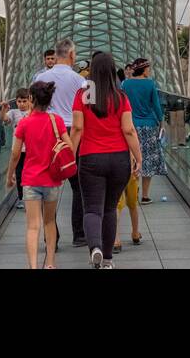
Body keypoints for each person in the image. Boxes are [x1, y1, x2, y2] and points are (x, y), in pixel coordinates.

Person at [72, 51, 142, 269]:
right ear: (113, 71)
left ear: (92, 70)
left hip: (91, 157)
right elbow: (129, 130)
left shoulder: (82, 95)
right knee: (110, 208)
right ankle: (109, 260)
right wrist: (138, 157)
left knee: (92, 209)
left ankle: (95, 248)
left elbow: (77, 128)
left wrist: (69, 156)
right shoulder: (121, 97)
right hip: (119, 159)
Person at [6, 81, 71, 269]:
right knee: (50, 221)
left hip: (30, 180)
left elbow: (16, 153)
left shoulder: (24, 123)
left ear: (32, 99)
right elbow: (70, 146)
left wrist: (10, 175)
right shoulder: (56, 120)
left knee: (33, 226)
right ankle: (50, 262)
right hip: (51, 179)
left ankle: (33, 266)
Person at [32, 38, 88, 247]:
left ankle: (50, 238)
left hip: (47, 132)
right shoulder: (82, 81)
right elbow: (88, 113)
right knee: (78, 185)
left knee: (47, 186)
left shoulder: (40, 78)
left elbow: (34, 109)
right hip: (74, 133)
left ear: (55, 55)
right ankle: (80, 234)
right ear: (72, 55)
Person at [121, 57, 165, 203]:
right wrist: (161, 121)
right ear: (144, 69)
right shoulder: (150, 84)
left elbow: (121, 104)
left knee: (132, 157)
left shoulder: (125, 84)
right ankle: (145, 195)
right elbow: (156, 105)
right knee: (148, 159)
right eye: (148, 68)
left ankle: (133, 189)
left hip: (131, 125)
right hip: (149, 125)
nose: (149, 71)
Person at [3, 89, 32, 208]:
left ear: (30, 100)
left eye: (24, 101)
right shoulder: (14, 113)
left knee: (29, 174)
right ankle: (21, 197)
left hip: (31, 149)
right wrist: (3, 111)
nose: (22, 104)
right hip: (18, 149)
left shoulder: (34, 112)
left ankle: (30, 197)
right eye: (19, 101)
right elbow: (5, 119)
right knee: (20, 174)